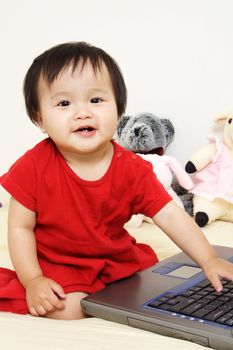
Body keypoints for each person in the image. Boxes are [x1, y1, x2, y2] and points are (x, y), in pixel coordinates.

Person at [1, 42, 233, 321]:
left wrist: (208, 259)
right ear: (40, 119)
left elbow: (171, 214)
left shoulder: (133, 169)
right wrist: (33, 279)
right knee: (68, 309)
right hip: (59, 263)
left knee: (150, 293)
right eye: (64, 103)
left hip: (114, 259)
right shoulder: (34, 166)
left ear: (120, 109)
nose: (82, 112)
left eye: (96, 100)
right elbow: (19, 227)